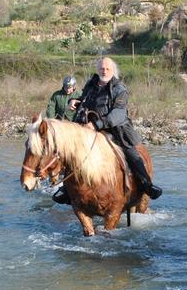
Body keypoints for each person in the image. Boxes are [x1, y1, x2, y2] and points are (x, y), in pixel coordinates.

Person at [64, 56, 162, 200]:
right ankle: (66, 189)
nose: (104, 71)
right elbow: (84, 101)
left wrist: (97, 124)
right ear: (98, 70)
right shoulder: (91, 85)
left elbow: (118, 113)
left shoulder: (119, 89)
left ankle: (146, 184)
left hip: (115, 130)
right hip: (89, 129)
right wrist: (75, 102)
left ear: (113, 71)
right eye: (102, 68)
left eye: (107, 69)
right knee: (69, 151)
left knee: (130, 152)